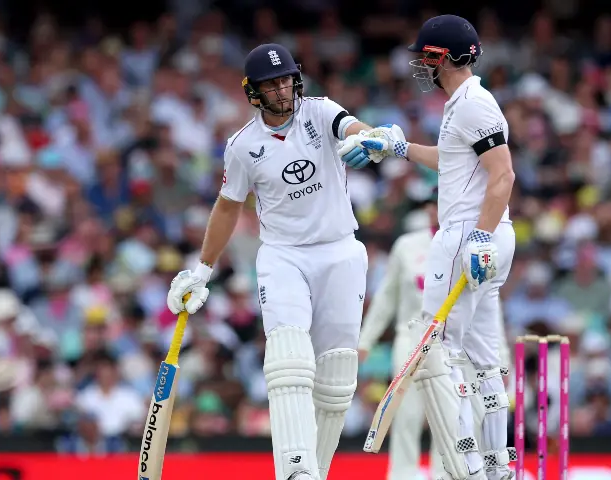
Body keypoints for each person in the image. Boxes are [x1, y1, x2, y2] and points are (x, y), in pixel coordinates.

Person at [166, 43, 381, 480]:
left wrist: (368, 138)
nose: (282, 90)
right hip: (284, 256)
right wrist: (203, 269)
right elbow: (228, 207)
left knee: (337, 379)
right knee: (289, 359)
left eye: (286, 80)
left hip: (341, 250)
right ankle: (295, 469)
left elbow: (354, 126)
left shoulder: (320, 112)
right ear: (254, 92)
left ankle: (315, 471)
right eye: (272, 84)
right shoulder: (242, 146)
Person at [339, 15, 517, 480]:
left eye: (427, 56)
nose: (421, 64)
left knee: (437, 351)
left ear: (447, 57)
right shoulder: (462, 103)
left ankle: (466, 465)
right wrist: (401, 148)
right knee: (480, 357)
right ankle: (497, 466)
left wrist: (478, 236)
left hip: (468, 233)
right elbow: (454, 160)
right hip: (482, 233)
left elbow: (504, 175)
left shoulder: (474, 103)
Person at [357, 194, 444, 480]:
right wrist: (365, 341)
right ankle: (403, 475)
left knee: (448, 418)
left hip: (450, 343)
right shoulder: (407, 245)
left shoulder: (466, 245)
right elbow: (385, 298)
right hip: (410, 337)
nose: (436, 210)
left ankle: (446, 474)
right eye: (432, 205)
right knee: (406, 412)